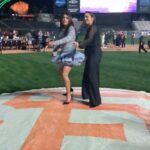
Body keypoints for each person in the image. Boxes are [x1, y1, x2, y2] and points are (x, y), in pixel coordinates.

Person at [49, 12, 84, 104]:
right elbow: (59, 41)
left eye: (66, 18)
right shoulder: (61, 29)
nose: (64, 19)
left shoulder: (71, 28)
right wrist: (55, 50)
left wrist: (54, 43)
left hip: (70, 53)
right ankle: (70, 89)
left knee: (64, 74)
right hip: (63, 54)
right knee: (60, 73)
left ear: (69, 19)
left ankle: (68, 95)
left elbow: (67, 39)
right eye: (63, 17)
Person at [74, 12, 102, 107]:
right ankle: (86, 94)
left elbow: (89, 40)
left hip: (94, 53)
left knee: (91, 76)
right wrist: (79, 43)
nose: (85, 18)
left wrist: (79, 44)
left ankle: (96, 101)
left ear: (92, 18)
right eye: (84, 17)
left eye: (87, 17)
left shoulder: (93, 27)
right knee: (87, 75)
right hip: (91, 53)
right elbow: (88, 41)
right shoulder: (90, 28)